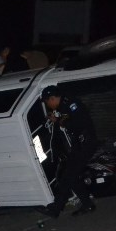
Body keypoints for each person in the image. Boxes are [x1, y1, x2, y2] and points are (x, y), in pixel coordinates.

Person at [37, 85, 98, 217]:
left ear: (52, 98)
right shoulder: (65, 105)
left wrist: (58, 120)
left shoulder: (70, 104)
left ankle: (55, 210)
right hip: (80, 145)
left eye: (47, 102)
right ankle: (87, 204)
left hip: (85, 144)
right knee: (71, 177)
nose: (48, 105)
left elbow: (78, 123)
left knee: (67, 177)